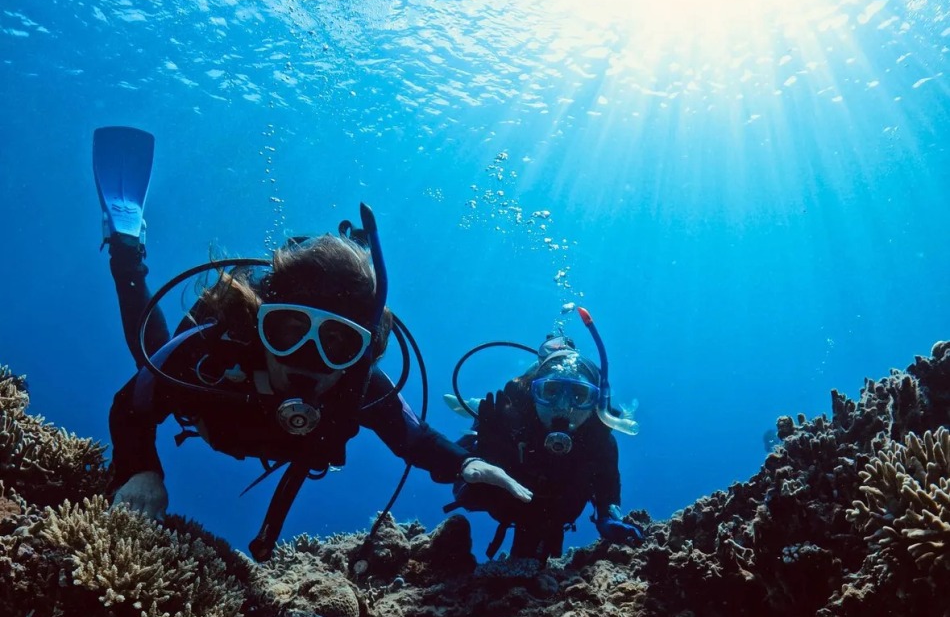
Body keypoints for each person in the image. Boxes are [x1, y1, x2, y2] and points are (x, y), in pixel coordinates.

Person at [94, 125, 531, 561]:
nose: (308, 358)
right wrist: (141, 470)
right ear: (259, 322)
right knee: (149, 358)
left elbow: (415, 440)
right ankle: (126, 251)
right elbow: (130, 409)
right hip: (207, 387)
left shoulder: (359, 384)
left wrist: (466, 465)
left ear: (362, 351)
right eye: (288, 330)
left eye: (336, 342)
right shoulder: (216, 350)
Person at [446, 324, 644, 562]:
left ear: (595, 406)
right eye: (550, 391)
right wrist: (482, 453)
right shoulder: (505, 421)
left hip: (556, 515)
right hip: (505, 505)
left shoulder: (599, 441)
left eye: (579, 396)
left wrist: (608, 516)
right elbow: (452, 475)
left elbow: (607, 485)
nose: (562, 407)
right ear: (532, 393)